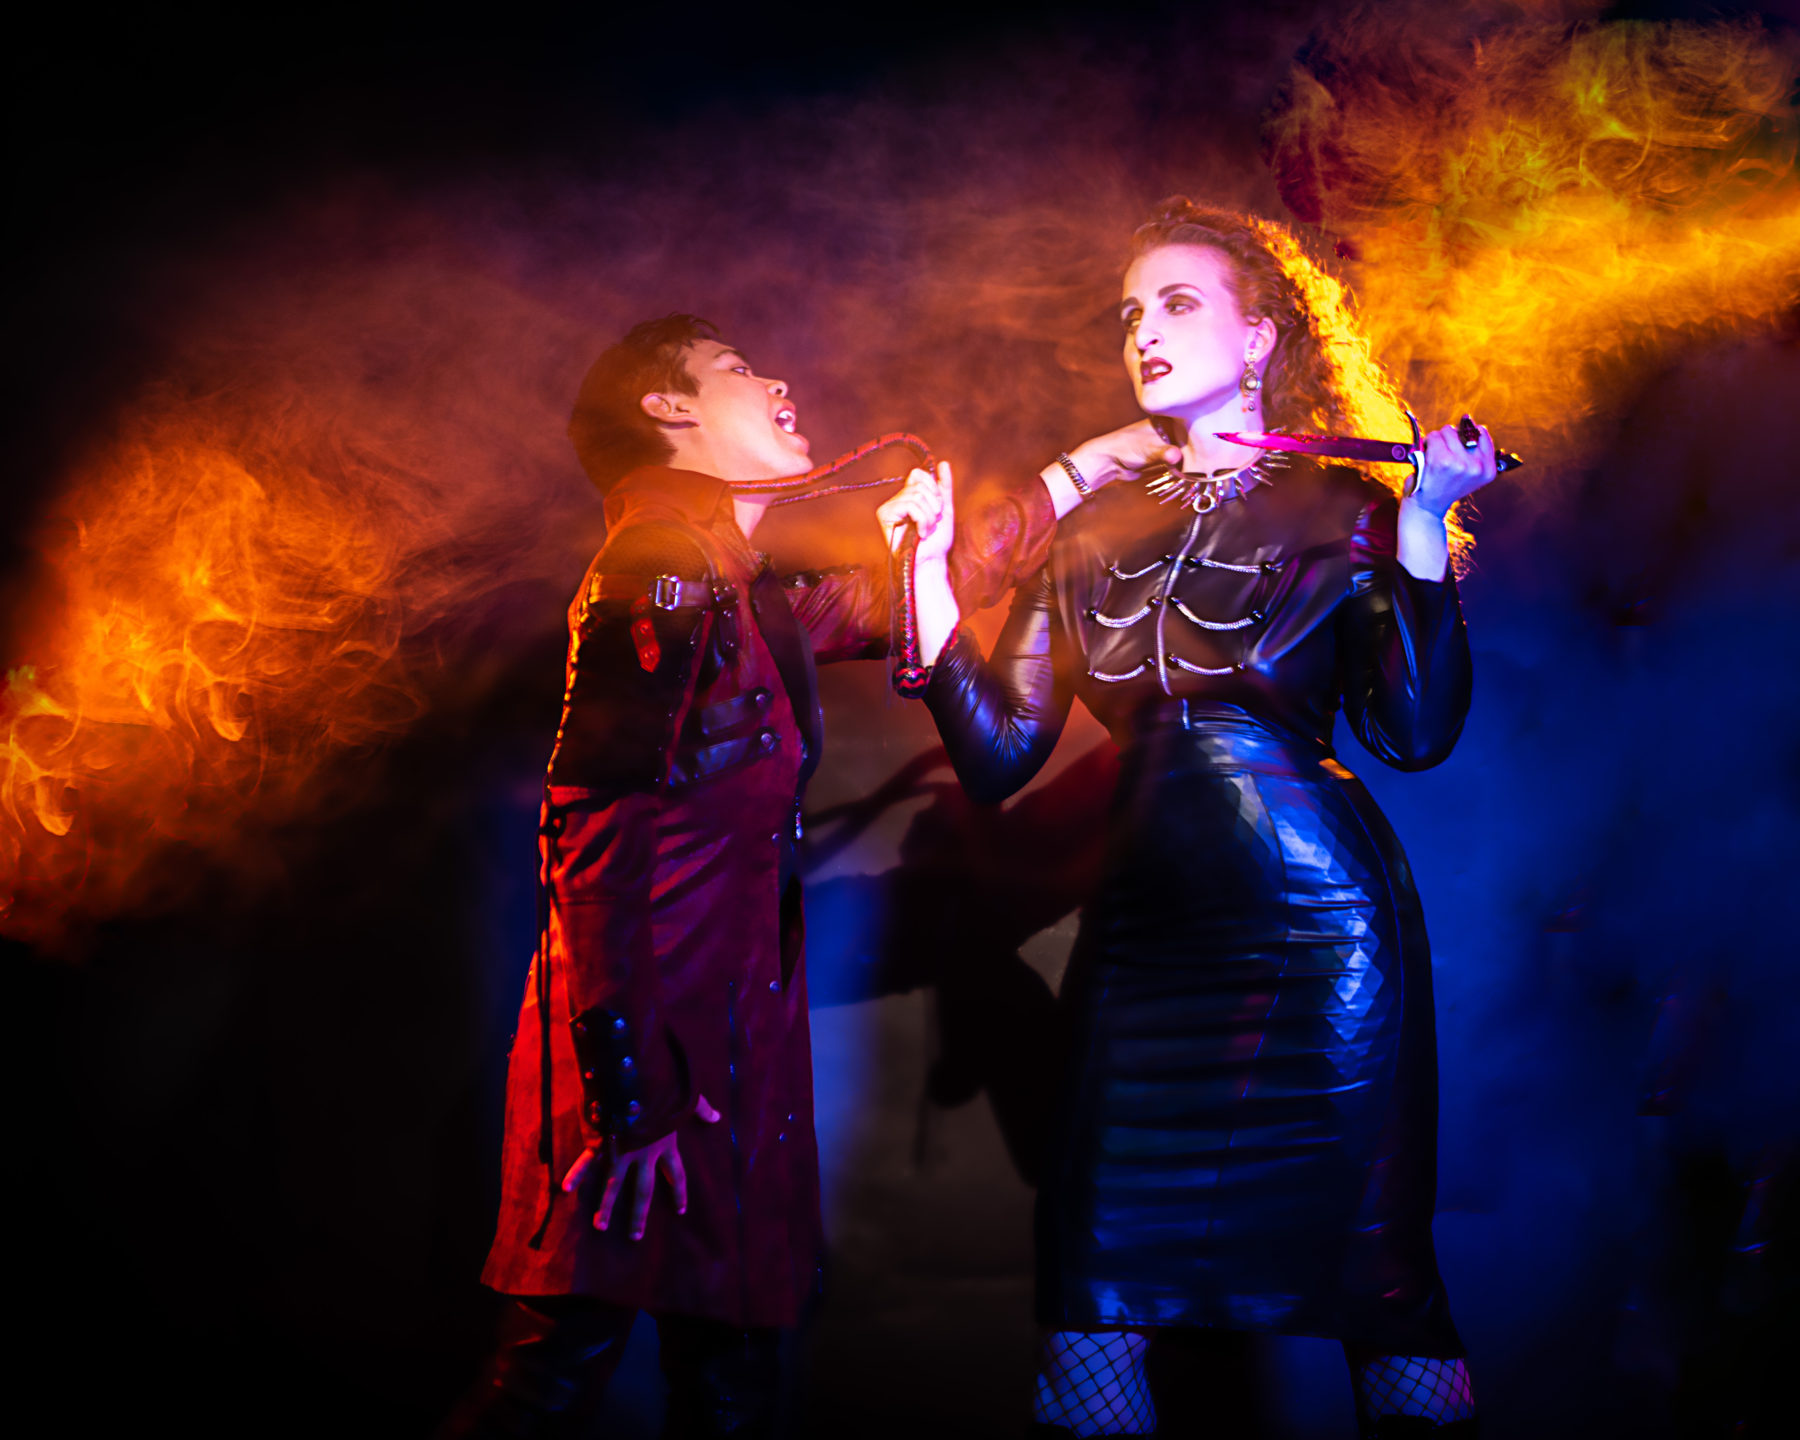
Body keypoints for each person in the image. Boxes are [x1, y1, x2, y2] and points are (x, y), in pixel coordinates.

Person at [907, 199, 1499, 1438]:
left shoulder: (1346, 502)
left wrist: (1423, 523)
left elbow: (1415, 731)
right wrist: (925, 575)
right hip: (1143, 954)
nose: (1145, 332)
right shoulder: (1093, 528)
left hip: (1318, 937)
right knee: (1095, 1301)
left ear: (1261, 335)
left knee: (1377, 1292)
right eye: (1131, 312)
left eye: (1178, 304)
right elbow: (999, 755)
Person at [447, 313, 1072, 1439]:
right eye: (737, 369)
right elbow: (588, 835)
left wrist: (1085, 472)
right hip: (642, 1053)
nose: (779, 379)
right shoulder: (656, 565)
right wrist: (632, 1098)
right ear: (668, 409)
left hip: (729, 1048)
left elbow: (910, 596)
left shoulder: (741, 586)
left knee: (730, 1377)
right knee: (552, 1375)